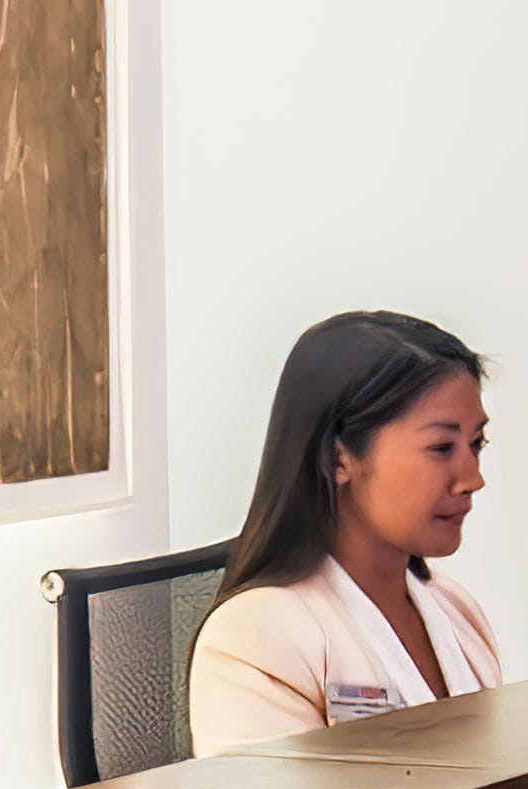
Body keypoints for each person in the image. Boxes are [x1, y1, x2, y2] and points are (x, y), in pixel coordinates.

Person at [188, 311, 504, 755]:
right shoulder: (254, 641)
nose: (472, 478)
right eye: (441, 448)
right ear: (338, 458)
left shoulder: (457, 611)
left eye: (476, 444)